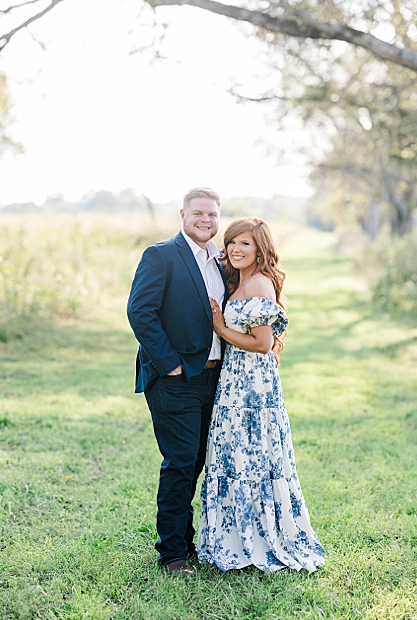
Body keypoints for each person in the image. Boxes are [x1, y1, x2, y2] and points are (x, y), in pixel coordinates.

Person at [197, 217, 325, 572]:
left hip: (253, 385)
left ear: (260, 249)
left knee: (252, 457)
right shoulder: (237, 280)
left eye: (246, 244)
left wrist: (221, 329)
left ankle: (260, 537)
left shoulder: (259, 284)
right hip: (233, 380)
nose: (237, 250)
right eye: (232, 243)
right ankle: (233, 535)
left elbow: (263, 343)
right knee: (232, 455)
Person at [127, 187, 227, 576]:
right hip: (175, 380)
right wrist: (169, 364)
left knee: (200, 462)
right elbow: (140, 312)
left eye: (213, 215)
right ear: (182, 214)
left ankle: (189, 542)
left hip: (215, 379)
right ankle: (172, 554)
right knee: (181, 463)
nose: (206, 220)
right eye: (199, 213)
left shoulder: (219, 261)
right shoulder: (162, 254)